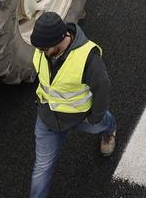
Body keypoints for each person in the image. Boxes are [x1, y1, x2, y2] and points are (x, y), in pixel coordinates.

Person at [29, 12, 115, 198]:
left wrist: (94, 117)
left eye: (44, 48)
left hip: (80, 116)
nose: (40, 51)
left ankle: (109, 133)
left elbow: (102, 90)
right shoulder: (43, 47)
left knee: (104, 123)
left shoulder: (89, 60)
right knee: (41, 169)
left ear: (60, 40)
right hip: (48, 118)